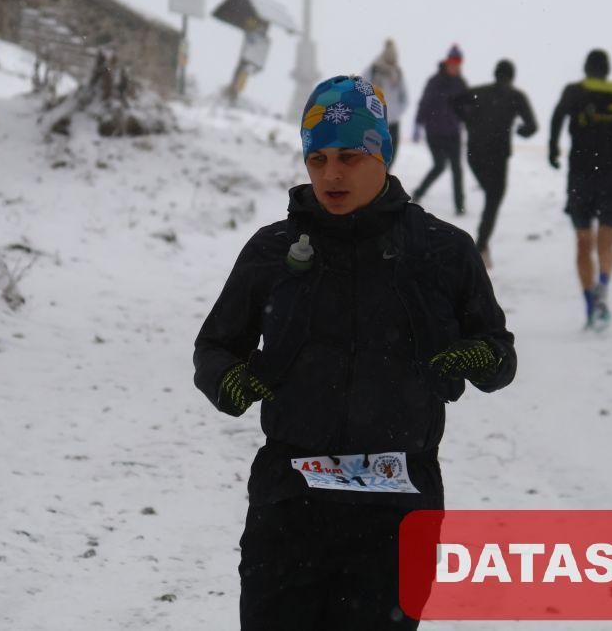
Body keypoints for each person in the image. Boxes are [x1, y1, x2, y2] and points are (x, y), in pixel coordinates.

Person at [194, 74, 516, 630]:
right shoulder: (275, 250)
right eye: (316, 160)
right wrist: (228, 380)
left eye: (348, 157)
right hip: (290, 505)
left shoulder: (442, 251)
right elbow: (216, 346)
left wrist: (476, 358)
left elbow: (499, 353)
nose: (331, 175)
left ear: (381, 154)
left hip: (397, 510)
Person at [548, 49, 612, 331]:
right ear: (607, 70)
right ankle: (603, 284)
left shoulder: (573, 92)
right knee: (606, 242)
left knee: (583, 242)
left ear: (586, 69)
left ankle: (590, 305)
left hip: (581, 177)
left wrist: (553, 150)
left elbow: (556, 120)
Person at [452, 59, 538, 266]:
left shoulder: (479, 92)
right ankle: (481, 247)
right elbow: (532, 126)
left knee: (491, 196)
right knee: (494, 198)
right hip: (498, 154)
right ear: (512, 76)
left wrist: (468, 120)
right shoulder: (516, 96)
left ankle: (481, 246)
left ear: (495, 73)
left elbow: (453, 101)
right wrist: (521, 131)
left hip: (474, 152)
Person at [411, 45, 468, 214]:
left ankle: (459, 206)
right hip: (434, 133)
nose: (455, 65)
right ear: (447, 62)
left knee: (457, 169)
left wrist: (471, 121)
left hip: (454, 133)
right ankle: (418, 192)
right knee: (439, 165)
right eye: (453, 62)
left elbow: (468, 107)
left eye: (458, 62)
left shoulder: (461, 83)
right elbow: (424, 103)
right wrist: (418, 124)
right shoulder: (435, 81)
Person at [363, 38, 409, 165]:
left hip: (393, 122)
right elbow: (361, 89)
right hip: (374, 121)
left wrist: (395, 113)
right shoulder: (373, 70)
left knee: (391, 156)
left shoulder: (397, 73)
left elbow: (405, 98)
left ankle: (383, 175)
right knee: (373, 156)